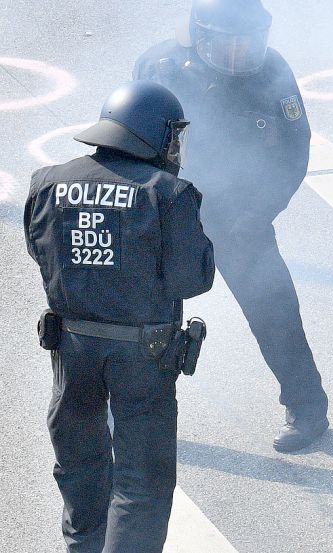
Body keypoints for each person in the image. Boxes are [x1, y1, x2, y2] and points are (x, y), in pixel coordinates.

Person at [23, 81, 214, 552]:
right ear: (154, 136)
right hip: (142, 359)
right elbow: (193, 279)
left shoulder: (47, 182)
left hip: (72, 350)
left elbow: (38, 249)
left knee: (81, 471)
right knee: (141, 488)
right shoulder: (166, 193)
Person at [134, 0, 330, 452]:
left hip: (242, 215)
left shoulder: (273, 71)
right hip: (171, 214)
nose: (241, 57)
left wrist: (259, 211)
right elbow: (130, 143)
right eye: (229, 46)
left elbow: (294, 151)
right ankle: (133, 412)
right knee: (145, 320)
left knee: (274, 309)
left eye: (250, 45)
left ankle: (307, 407)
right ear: (199, 37)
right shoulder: (159, 66)